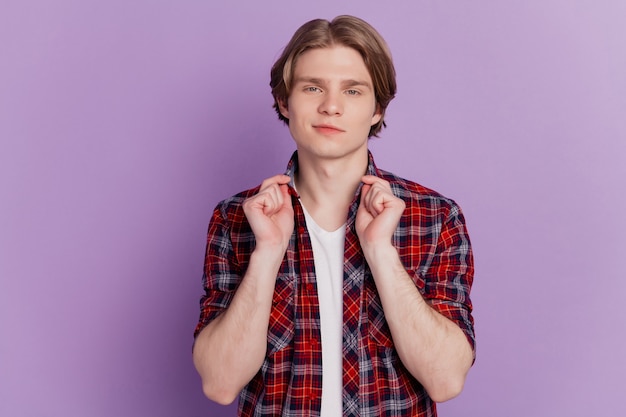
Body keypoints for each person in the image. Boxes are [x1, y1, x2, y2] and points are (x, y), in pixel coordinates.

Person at [193, 15, 475, 417]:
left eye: (353, 91)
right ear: (284, 102)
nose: (331, 106)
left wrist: (381, 252)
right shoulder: (237, 219)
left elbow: (446, 380)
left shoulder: (434, 218)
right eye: (313, 88)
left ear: (377, 108)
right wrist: (267, 254)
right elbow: (220, 384)